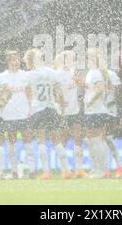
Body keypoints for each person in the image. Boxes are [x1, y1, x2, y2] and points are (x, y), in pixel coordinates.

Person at [24, 48, 71, 180]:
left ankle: (46, 172)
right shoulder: (51, 73)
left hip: (37, 109)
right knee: (57, 140)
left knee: (41, 141)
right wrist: (62, 104)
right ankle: (66, 170)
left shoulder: (29, 75)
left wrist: (30, 105)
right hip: (51, 108)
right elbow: (59, 91)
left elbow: (28, 92)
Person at [0, 50, 35, 179]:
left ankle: (32, 170)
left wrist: (31, 107)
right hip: (9, 114)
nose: (16, 62)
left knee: (28, 142)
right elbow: (0, 95)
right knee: (12, 143)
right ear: (8, 61)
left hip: (24, 113)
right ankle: (14, 171)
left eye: (17, 59)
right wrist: (3, 99)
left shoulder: (25, 75)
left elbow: (29, 92)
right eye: (13, 60)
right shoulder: (2, 76)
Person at [54, 50, 89, 178]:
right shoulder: (58, 74)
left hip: (75, 109)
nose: (73, 60)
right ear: (64, 60)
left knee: (78, 138)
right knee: (63, 139)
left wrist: (80, 82)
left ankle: (79, 170)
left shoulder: (74, 71)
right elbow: (54, 92)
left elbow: (82, 86)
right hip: (62, 112)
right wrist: (60, 101)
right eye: (71, 58)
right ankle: (65, 170)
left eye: (73, 58)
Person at [84, 48, 110, 178]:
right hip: (92, 111)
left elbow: (99, 90)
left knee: (96, 140)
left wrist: (90, 101)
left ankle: (102, 170)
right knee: (92, 140)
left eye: (89, 57)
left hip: (96, 110)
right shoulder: (91, 72)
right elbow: (92, 88)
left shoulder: (96, 72)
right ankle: (98, 168)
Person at [103, 68, 122, 178]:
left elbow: (119, 92)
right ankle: (107, 169)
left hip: (109, 109)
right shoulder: (92, 73)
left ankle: (117, 167)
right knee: (103, 140)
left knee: (107, 138)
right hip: (97, 110)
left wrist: (116, 106)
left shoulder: (110, 74)